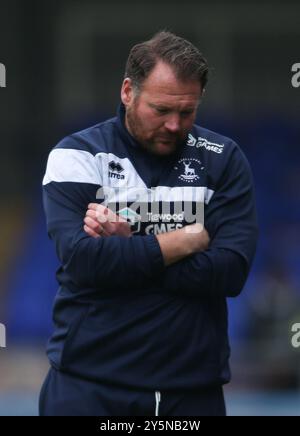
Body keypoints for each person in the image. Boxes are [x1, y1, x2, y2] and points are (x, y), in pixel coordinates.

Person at [40, 31, 258, 416]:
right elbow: (83, 261)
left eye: (187, 112)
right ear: (128, 92)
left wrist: (127, 248)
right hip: (86, 389)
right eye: (161, 110)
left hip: (192, 394)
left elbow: (231, 272)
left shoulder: (224, 158)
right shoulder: (76, 155)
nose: (174, 125)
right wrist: (182, 243)